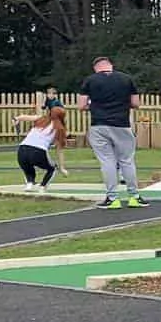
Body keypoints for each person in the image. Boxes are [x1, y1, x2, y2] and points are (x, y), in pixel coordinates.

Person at [78, 56, 143, 208]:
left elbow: (81, 106)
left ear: (96, 68)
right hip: (122, 124)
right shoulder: (127, 79)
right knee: (127, 160)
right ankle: (134, 196)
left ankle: (113, 198)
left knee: (107, 161)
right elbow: (136, 103)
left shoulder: (90, 80)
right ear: (110, 65)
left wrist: (94, 106)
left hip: (99, 125)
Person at [16, 101, 66, 192]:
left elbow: (22, 117)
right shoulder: (60, 129)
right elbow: (59, 150)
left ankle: (29, 184)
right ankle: (42, 187)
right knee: (52, 168)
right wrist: (62, 167)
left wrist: (16, 119)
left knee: (27, 167)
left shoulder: (40, 118)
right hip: (38, 151)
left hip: (21, 150)